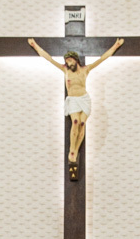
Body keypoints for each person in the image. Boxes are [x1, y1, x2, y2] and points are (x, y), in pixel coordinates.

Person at [27, 37, 124, 177]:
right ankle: (72, 150)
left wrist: (116, 45)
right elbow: (48, 58)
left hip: (84, 99)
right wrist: (35, 45)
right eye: (67, 62)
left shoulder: (85, 70)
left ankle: (76, 150)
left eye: (70, 61)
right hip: (72, 99)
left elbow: (102, 58)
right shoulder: (65, 70)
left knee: (82, 124)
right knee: (76, 122)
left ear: (76, 60)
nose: (68, 63)